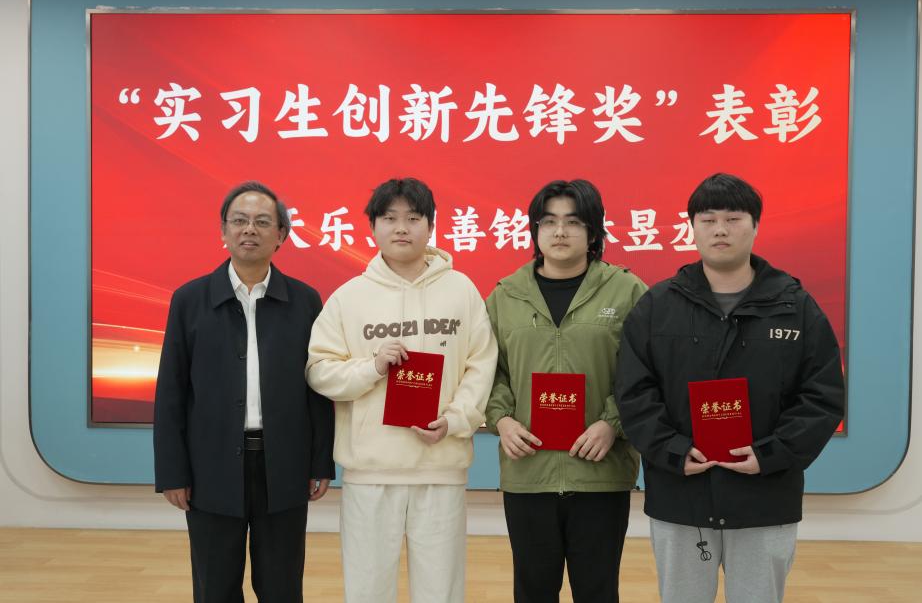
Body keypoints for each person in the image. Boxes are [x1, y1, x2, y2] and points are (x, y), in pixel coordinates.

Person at [614, 173, 845, 603]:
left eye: (733, 218)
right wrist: (673, 450)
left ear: (755, 226)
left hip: (765, 496)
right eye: (708, 219)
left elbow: (822, 395)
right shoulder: (658, 305)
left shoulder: (795, 307)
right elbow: (633, 392)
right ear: (692, 227)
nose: (720, 229)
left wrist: (771, 454)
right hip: (681, 494)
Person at [306, 177, 498, 603]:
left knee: (441, 590)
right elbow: (319, 372)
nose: (401, 228)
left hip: (441, 467)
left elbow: (481, 364)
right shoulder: (348, 298)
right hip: (370, 472)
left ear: (430, 226)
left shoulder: (462, 291)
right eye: (389, 218)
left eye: (413, 218)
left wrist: (454, 420)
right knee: (367, 589)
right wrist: (372, 367)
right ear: (373, 227)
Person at [154, 181, 335, 603]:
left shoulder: (305, 301)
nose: (249, 229)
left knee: (282, 586)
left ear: (281, 235)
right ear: (224, 230)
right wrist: (173, 472)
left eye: (262, 222)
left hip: (283, 466)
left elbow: (318, 389)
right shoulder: (190, 300)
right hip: (211, 468)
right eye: (239, 220)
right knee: (214, 587)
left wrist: (320, 461)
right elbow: (171, 393)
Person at [484, 179, 647, 603]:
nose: (560, 232)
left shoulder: (627, 291)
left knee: (598, 591)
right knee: (533, 591)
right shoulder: (505, 296)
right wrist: (502, 420)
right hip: (528, 472)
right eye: (549, 221)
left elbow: (645, 372)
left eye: (573, 222)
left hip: (600, 472)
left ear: (593, 232)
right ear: (534, 230)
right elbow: (487, 370)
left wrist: (612, 423)